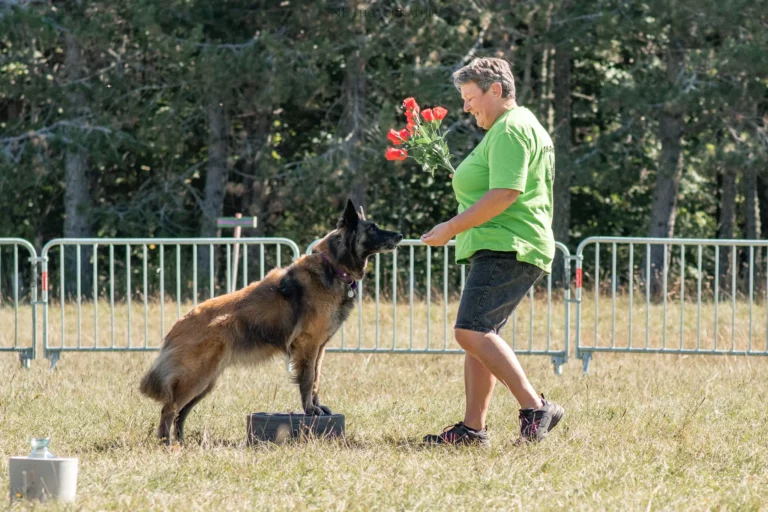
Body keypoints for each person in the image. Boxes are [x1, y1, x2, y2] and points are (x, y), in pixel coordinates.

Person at [420, 57, 564, 446]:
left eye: (470, 97)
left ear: (496, 90)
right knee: (481, 336)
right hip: (507, 243)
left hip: (508, 244)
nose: (466, 107)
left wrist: (451, 227)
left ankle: (536, 407)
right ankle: (473, 429)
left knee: (471, 331)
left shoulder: (511, 129)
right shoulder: (515, 126)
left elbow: (505, 193)